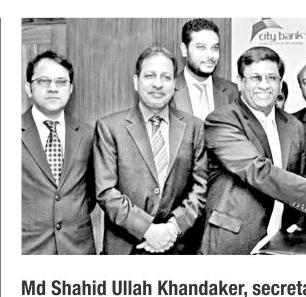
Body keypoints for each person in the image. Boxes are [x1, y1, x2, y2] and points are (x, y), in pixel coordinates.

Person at [199, 46, 306, 254]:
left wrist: (302, 222)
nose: (264, 85)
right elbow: (258, 171)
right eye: (255, 78)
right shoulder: (222, 120)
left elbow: (299, 177)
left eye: (272, 78)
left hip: (282, 243)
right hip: (232, 241)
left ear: (280, 83)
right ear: (240, 82)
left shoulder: (293, 125)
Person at [94, 46, 208, 254]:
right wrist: (147, 230)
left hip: (178, 248)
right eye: (150, 76)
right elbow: (106, 192)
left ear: (174, 84)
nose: (158, 84)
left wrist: (173, 228)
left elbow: (200, 188)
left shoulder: (195, 127)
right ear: (136, 81)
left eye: (166, 77)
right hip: (126, 249)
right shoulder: (109, 127)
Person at [22, 50, 95, 254]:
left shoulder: (87, 135)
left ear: (70, 89)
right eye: (43, 81)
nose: (53, 88)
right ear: (29, 88)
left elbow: (90, 194)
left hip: (78, 250)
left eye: (61, 82)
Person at [172, 18, 239, 120]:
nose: (210, 55)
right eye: (201, 47)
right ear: (184, 49)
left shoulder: (234, 91)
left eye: (215, 48)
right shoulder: (167, 90)